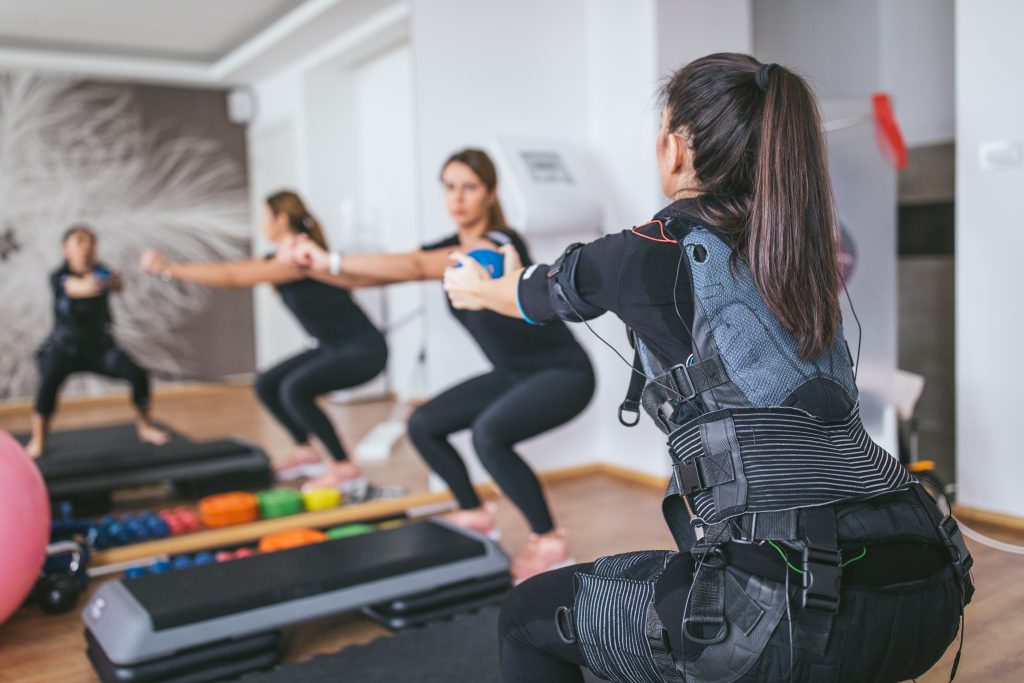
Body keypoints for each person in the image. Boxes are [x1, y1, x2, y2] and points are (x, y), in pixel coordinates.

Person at [444, 55, 972, 682]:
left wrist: (476, 288)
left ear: (677, 147)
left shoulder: (651, 249)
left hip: (788, 616)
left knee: (528, 616)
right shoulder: (798, 251)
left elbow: (532, 293)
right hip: (929, 583)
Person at [280, 149, 595, 582]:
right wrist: (316, 264)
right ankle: (474, 515)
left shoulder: (501, 246)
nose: (458, 197)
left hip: (563, 371)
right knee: (424, 424)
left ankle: (550, 542)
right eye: (449, 186)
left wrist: (328, 261)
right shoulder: (446, 248)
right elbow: (374, 275)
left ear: (490, 194)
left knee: (490, 435)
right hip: (513, 373)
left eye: (470, 187)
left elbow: (413, 265)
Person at [141, 191, 387, 489]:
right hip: (331, 346)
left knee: (295, 389)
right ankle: (306, 453)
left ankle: (344, 467)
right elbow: (232, 269)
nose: (261, 223)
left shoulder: (300, 256)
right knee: (267, 383)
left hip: (363, 349)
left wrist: (168, 268)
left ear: (281, 219)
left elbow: (234, 277)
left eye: (264, 216)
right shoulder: (281, 258)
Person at [27, 226, 170, 458]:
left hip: (100, 348)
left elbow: (118, 286)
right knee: (48, 382)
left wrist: (115, 280)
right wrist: (99, 283)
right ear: (67, 249)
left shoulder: (103, 271)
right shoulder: (59, 277)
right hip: (65, 349)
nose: (87, 247)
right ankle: (38, 440)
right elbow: (77, 288)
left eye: (91, 242)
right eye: (80, 241)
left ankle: (145, 428)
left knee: (137, 374)